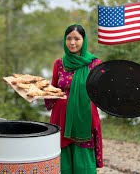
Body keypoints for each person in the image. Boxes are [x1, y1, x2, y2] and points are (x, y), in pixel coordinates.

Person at [44, 24, 103, 174]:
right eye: (69, 38)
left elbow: (102, 91)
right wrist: (42, 91)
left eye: (77, 38)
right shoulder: (59, 64)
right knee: (62, 160)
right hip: (61, 117)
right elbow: (53, 89)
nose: (72, 42)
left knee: (83, 161)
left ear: (84, 40)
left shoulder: (94, 64)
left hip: (84, 118)